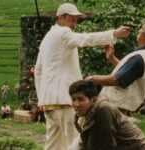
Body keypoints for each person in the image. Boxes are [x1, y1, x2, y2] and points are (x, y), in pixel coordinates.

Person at [34, 3, 131, 150]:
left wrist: (41, 98)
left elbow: (38, 71)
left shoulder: (47, 38)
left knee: (53, 145)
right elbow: (86, 39)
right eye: (71, 19)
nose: (74, 24)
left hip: (49, 102)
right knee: (76, 142)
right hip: (66, 100)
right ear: (60, 18)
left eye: (76, 20)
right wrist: (114, 34)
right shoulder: (63, 33)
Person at [86, 17, 145, 112]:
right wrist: (111, 58)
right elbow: (130, 72)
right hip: (120, 106)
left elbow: (115, 80)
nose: (139, 30)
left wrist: (91, 78)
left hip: (115, 107)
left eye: (142, 28)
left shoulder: (139, 58)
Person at [69, 80, 145, 150]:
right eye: (73, 99)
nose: (76, 104)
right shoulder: (82, 113)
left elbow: (107, 145)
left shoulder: (103, 109)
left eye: (81, 99)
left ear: (93, 99)